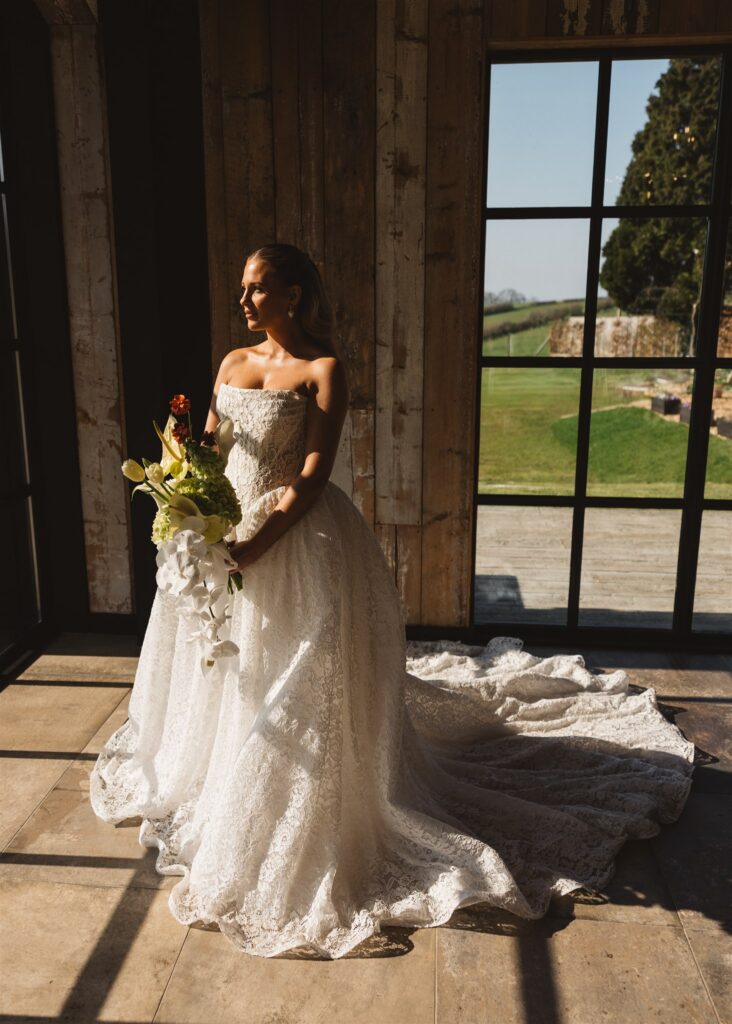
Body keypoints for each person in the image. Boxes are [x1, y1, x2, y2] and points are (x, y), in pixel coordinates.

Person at [90, 243, 695, 960]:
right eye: (243, 289)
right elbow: (209, 451)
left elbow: (312, 475)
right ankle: (223, 776)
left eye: (258, 289)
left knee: (297, 679)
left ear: (292, 294)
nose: (245, 301)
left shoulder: (324, 369)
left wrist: (257, 544)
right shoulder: (229, 363)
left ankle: (300, 812)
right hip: (221, 532)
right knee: (231, 664)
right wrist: (188, 505)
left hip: (294, 537)